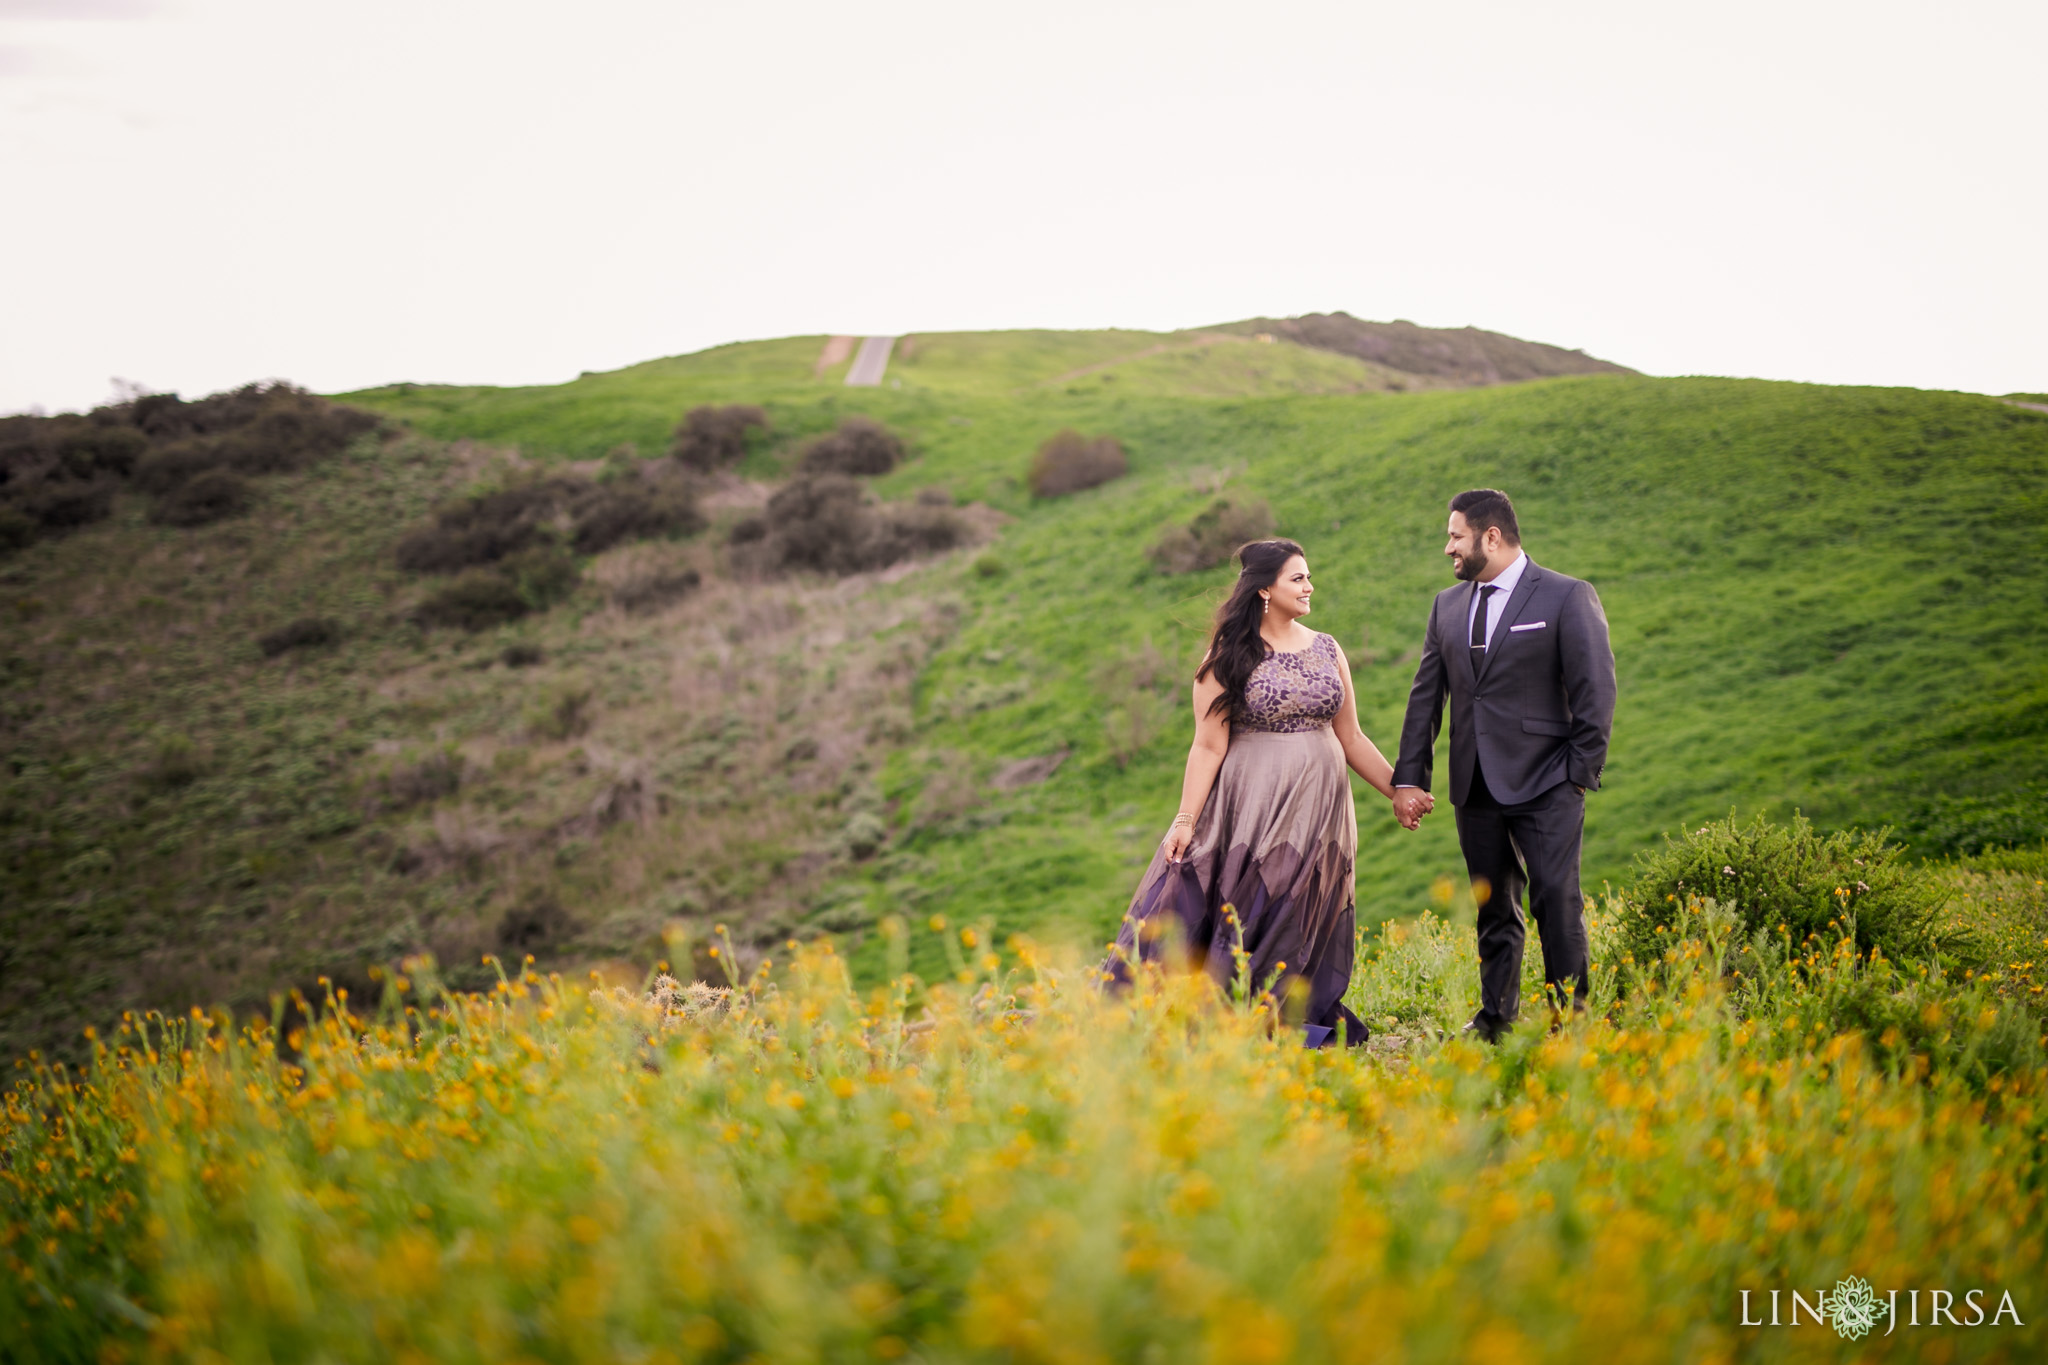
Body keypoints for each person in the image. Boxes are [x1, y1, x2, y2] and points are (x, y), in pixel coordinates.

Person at [1106, 538, 1415, 1046]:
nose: (1310, 586)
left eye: (1309, 576)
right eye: (1298, 578)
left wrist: (1398, 790)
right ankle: (1228, 1015)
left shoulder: (1328, 647)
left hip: (1321, 810)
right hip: (1253, 808)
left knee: (1305, 908)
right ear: (1265, 589)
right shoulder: (1228, 656)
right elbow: (1207, 746)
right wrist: (1185, 821)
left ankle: (1288, 1013)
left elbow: (1352, 736)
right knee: (1251, 907)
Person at [1391, 489, 1616, 1042]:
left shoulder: (1566, 596)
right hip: (1474, 784)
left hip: (1548, 782)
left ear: (1491, 536)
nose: (1448, 548)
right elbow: (1426, 698)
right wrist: (1409, 778)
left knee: (1555, 904)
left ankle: (1571, 1022)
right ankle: (1496, 1019)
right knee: (1494, 909)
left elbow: (1596, 690)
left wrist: (1578, 774)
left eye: (1455, 536)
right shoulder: (1447, 606)